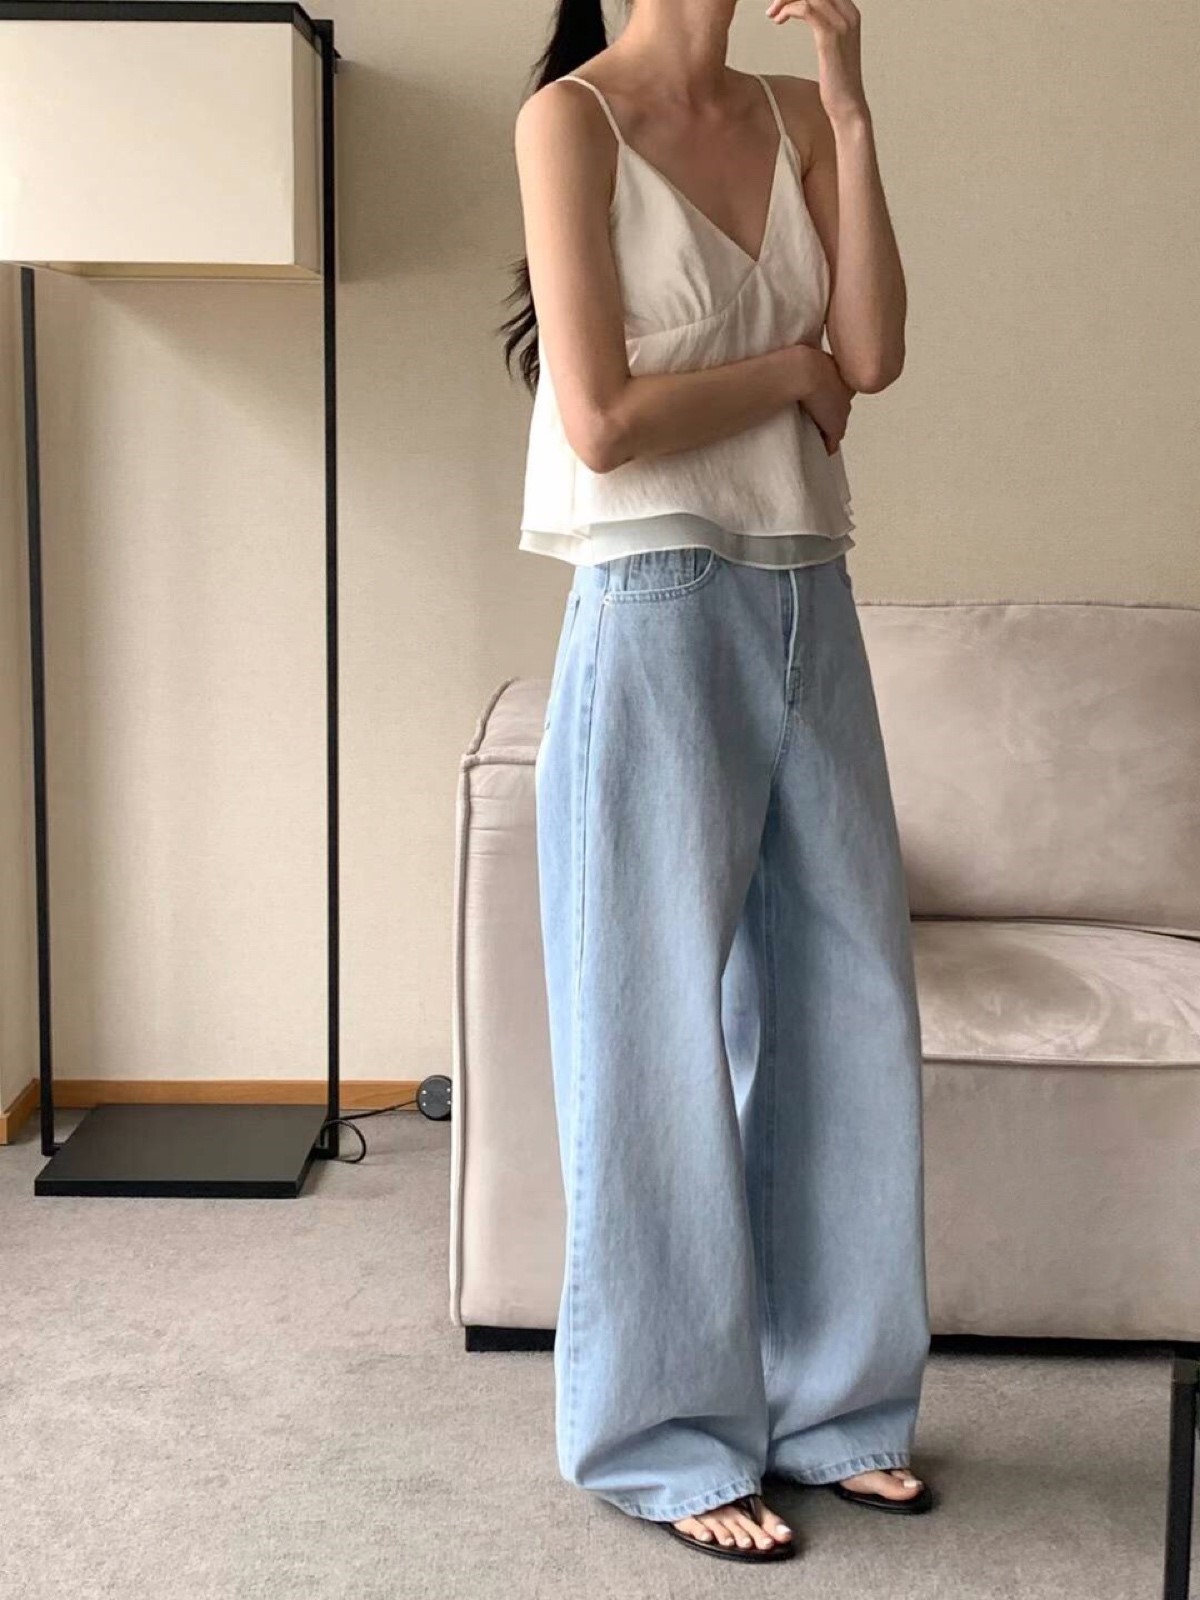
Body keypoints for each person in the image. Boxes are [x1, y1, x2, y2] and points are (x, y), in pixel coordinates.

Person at [500, 0, 933, 1564]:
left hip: (810, 590)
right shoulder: (571, 121)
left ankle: (837, 1409)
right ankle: (664, 1438)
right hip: (654, 598)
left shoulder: (794, 115)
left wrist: (851, 104)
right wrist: (785, 367)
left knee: (848, 1005)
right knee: (649, 1024)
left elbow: (872, 357)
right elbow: (605, 420)